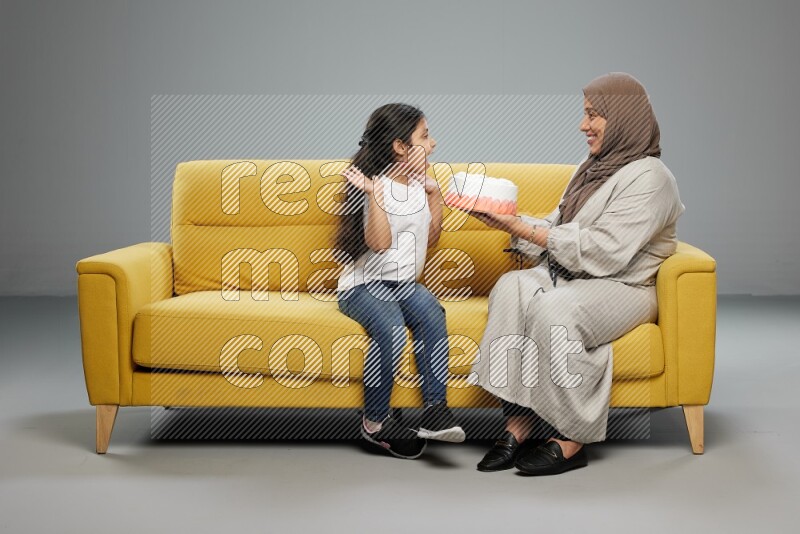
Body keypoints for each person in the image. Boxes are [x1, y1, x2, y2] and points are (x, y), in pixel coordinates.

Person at [469, 72, 685, 475]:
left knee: (555, 310)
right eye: (584, 114)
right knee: (511, 287)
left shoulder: (653, 179)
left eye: (593, 115)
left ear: (622, 117)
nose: (583, 125)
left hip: (622, 285)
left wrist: (526, 229)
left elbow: (606, 250)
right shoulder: (590, 168)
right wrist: (507, 221)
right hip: (574, 275)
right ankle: (519, 424)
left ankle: (572, 438)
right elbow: (557, 225)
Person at [335, 103, 466, 460]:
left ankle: (435, 411)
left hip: (402, 284)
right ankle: (374, 423)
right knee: (390, 325)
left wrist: (435, 196)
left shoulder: (416, 185)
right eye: (425, 136)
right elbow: (378, 244)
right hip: (362, 286)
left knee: (431, 312)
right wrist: (374, 196)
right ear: (399, 146)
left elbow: (431, 240)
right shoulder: (374, 185)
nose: (434, 143)